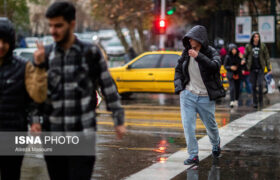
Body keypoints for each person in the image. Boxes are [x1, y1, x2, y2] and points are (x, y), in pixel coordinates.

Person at [28, 2, 126, 180]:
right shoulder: (46, 55)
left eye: (58, 25)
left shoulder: (90, 53)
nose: (53, 31)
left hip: (83, 133)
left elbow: (107, 86)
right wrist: (34, 119)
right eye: (50, 25)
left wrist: (118, 118)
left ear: (72, 24)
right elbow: (36, 94)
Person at [174, 25, 225, 165]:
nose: (190, 40)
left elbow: (215, 66)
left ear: (200, 39)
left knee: (211, 125)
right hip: (188, 95)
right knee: (188, 126)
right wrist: (180, 88)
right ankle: (193, 155)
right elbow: (178, 70)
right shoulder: (186, 52)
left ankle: (216, 143)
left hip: (205, 97)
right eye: (188, 38)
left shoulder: (211, 52)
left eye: (193, 38)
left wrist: (199, 56)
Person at [0, 18, 36, 180]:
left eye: (5, 41)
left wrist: (35, 121)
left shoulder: (23, 67)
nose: (1, 45)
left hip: (14, 135)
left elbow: (33, 100)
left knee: (11, 175)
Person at [244, 32, 271, 109]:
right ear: (252, 38)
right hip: (252, 69)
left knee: (260, 84)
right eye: (255, 37)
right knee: (253, 86)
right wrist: (243, 61)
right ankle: (255, 102)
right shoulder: (249, 46)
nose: (256, 38)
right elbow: (245, 56)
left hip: (260, 68)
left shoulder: (262, 46)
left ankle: (261, 101)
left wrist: (268, 68)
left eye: (257, 37)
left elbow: (267, 57)